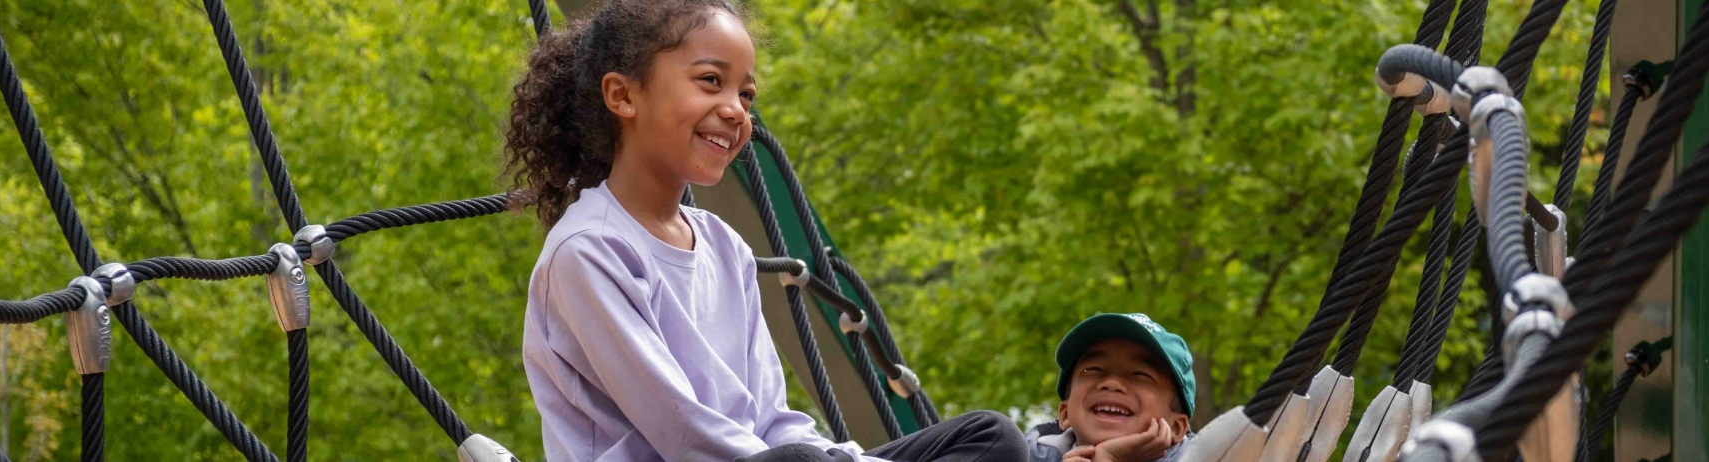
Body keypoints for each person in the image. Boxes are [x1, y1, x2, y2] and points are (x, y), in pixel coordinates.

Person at [504, 1, 1025, 461]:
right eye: (711, 81)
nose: (735, 110)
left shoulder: (725, 246)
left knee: (993, 438)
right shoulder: (589, 250)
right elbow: (684, 433)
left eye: (746, 94)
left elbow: (773, 421)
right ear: (622, 95)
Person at [1024, 313, 1196, 462]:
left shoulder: (1209, 457)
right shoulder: (1017, 455)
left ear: (1176, 427)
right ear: (1065, 413)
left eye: (1140, 374)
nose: (1112, 383)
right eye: (1093, 369)